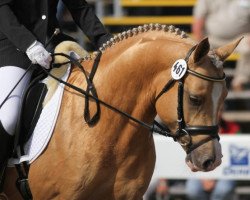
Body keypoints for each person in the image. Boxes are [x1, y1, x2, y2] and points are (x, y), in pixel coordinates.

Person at [0, 0, 112, 189]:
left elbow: (80, 9)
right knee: (8, 116)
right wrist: (29, 44)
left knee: (92, 86)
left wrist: (109, 44)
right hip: (14, 46)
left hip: (52, 43)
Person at [192, 0, 250, 91]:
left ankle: (240, 82)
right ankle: (206, 81)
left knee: (248, 46)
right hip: (212, 39)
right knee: (202, 53)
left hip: (240, 39)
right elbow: (198, 24)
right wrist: (201, 44)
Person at [185, 106, 241, 200]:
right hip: (201, 171)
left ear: (222, 111)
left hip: (227, 172)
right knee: (193, 189)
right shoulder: (198, 129)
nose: (216, 113)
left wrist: (214, 178)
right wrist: (205, 177)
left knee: (222, 189)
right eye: (212, 110)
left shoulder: (234, 129)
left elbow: (235, 157)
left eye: (219, 110)